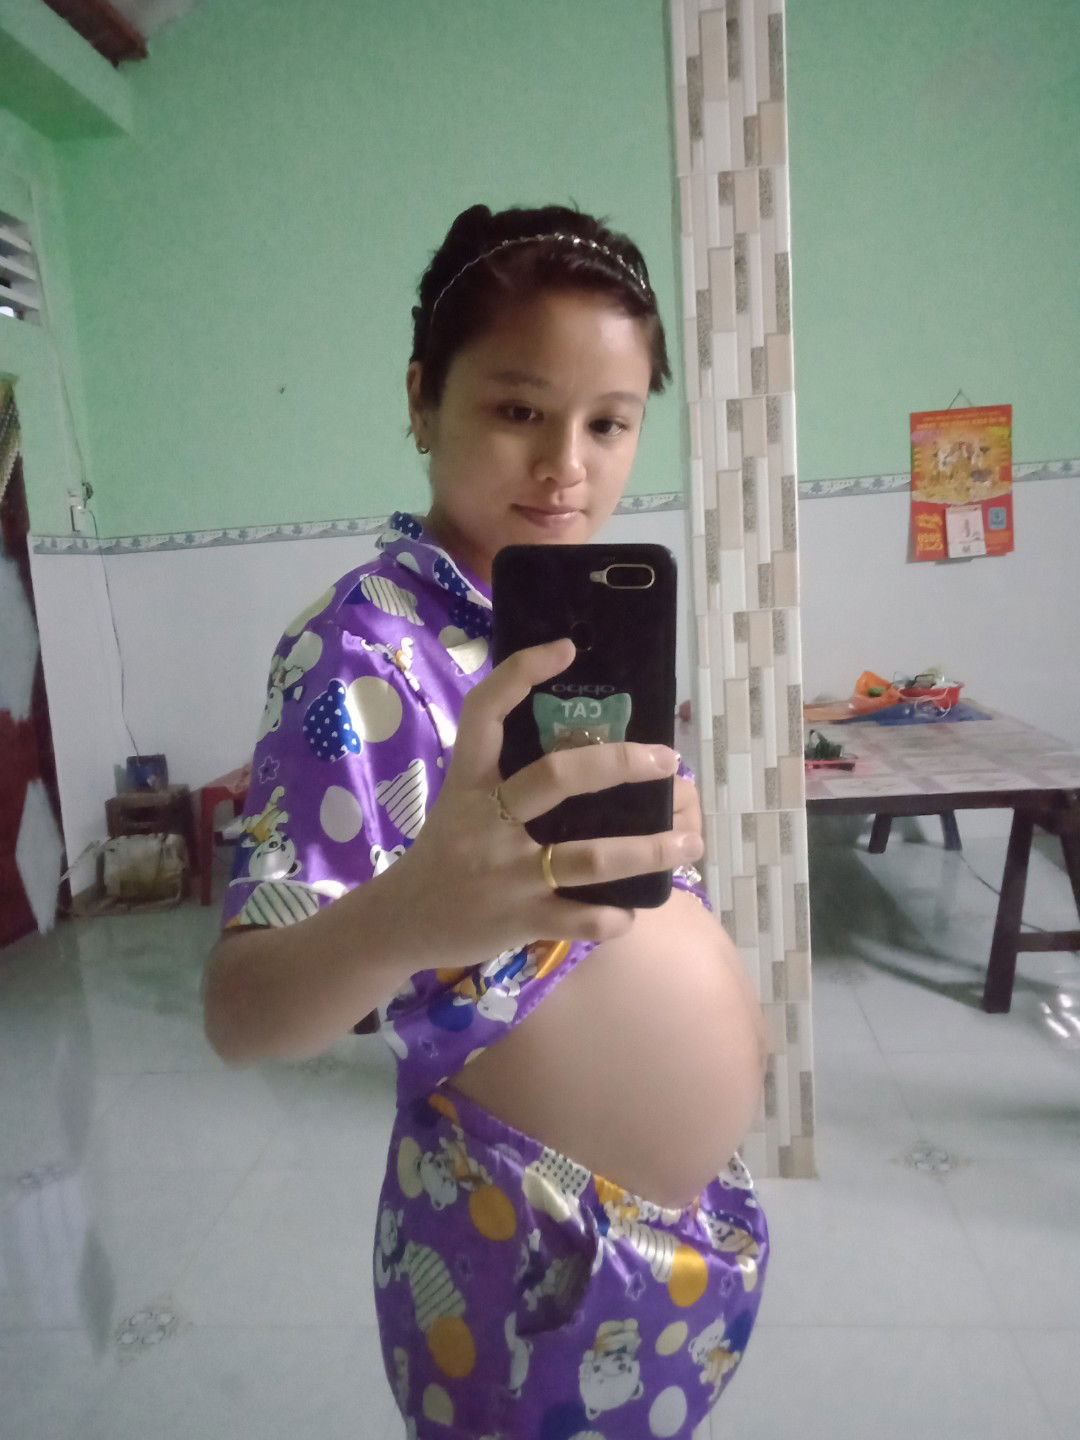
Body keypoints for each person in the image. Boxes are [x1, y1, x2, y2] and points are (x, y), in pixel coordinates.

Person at [203, 203, 769, 1440]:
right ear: (423, 400)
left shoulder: (570, 630)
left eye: (609, 422)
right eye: (519, 410)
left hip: (672, 1246)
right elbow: (241, 1017)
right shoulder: (362, 652)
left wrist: (667, 858)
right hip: (531, 1268)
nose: (568, 465)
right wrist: (412, 913)